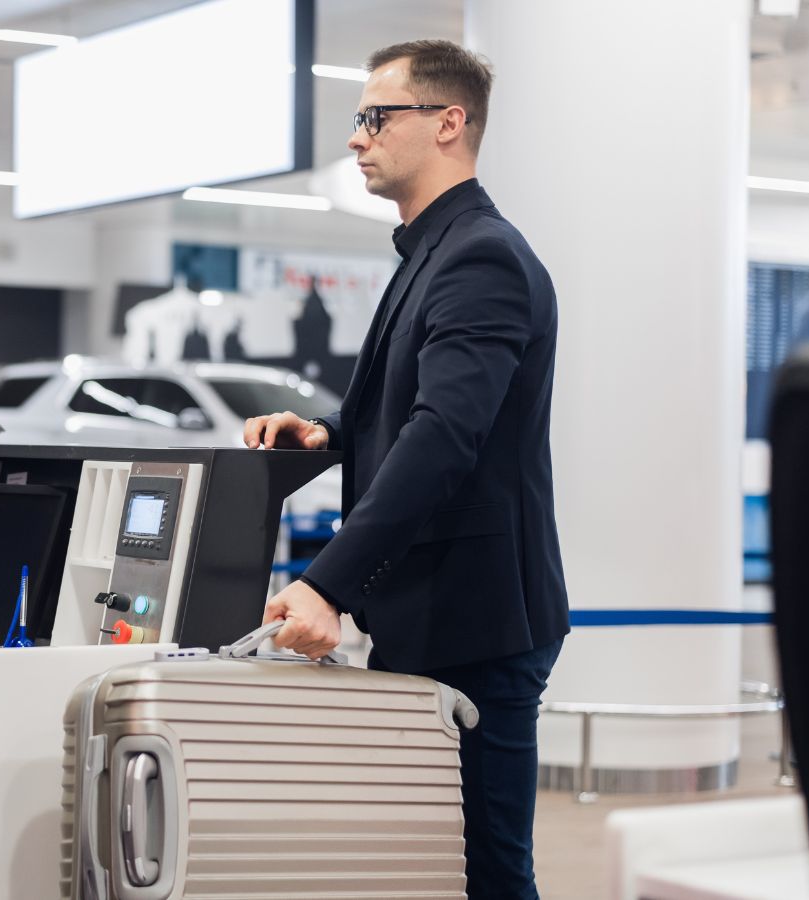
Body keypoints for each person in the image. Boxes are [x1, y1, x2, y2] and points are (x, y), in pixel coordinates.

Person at [244, 40, 570, 899]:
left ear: (449, 123)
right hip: (437, 606)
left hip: (480, 618)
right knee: (432, 860)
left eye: (376, 117)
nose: (358, 138)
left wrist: (329, 585)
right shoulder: (426, 251)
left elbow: (445, 436)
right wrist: (326, 434)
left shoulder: (480, 256)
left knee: (489, 871)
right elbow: (404, 408)